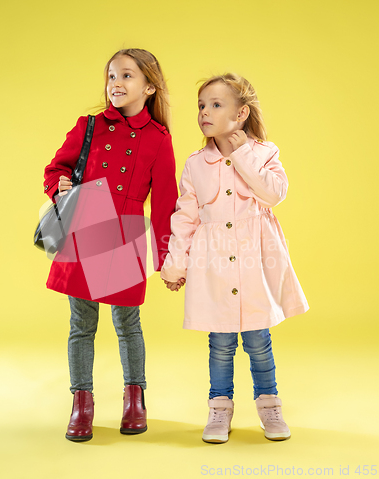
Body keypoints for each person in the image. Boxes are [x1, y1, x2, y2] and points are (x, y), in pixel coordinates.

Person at [160, 73, 309, 444]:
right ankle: (219, 409)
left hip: (254, 261)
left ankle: (269, 406)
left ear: (241, 113)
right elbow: (185, 217)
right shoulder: (195, 164)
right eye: (201, 106)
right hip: (212, 265)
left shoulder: (264, 153)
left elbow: (274, 194)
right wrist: (175, 263)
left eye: (215, 104)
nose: (204, 112)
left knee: (258, 338)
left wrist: (242, 154)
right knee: (221, 342)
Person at [42, 49, 178, 442]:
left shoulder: (158, 138)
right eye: (111, 76)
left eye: (126, 76)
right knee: (81, 324)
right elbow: (57, 168)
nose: (115, 83)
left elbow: (166, 203)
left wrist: (168, 258)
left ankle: (135, 399)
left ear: (149, 86)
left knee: (127, 323)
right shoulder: (89, 125)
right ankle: (81, 403)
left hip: (126, 235)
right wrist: (59, 185)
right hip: (86, 227)